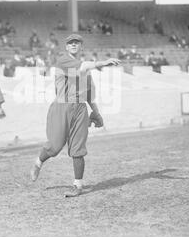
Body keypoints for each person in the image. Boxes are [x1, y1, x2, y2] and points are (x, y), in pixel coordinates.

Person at [29, 34, 121, 197]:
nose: (73, 44)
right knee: (55, 146)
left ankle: (77, 185)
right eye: (70, 42)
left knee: (78, 148)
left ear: (81, 47)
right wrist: (102, 62)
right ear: (66, 47)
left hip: (80, 109)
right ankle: (38, 162)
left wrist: (96, 113)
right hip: (61, 107)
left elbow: (90, 95)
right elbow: (84, 66)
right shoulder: (63, 60)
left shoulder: (86, 70)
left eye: (76, 42)